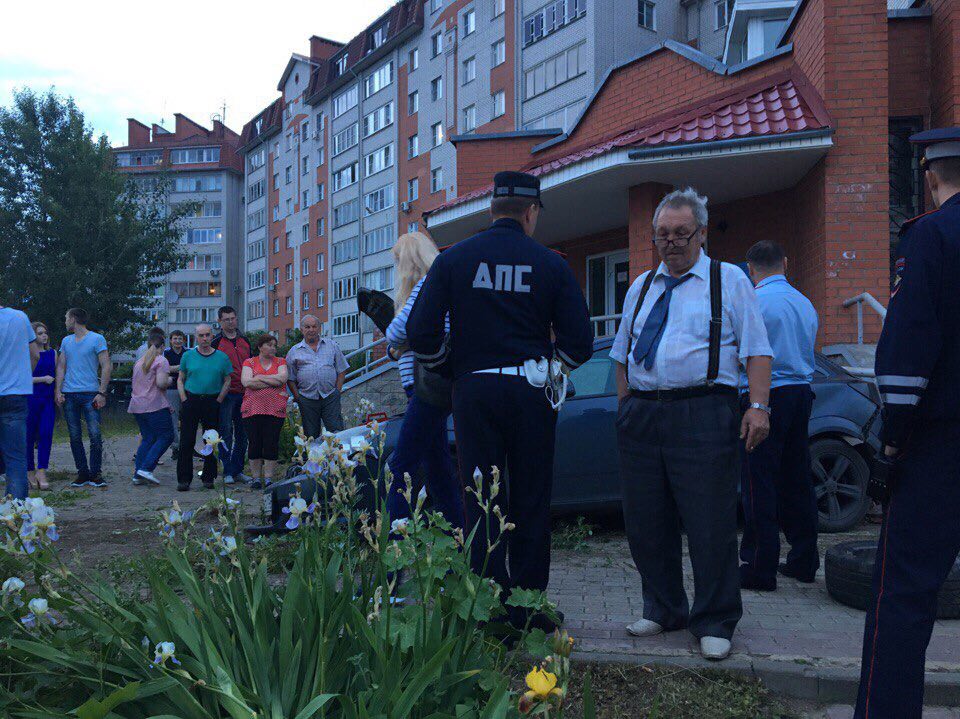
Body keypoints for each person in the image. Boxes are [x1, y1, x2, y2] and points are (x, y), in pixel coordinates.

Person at [407, 171, 593, 633]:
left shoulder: (454, 259)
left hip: (474, 392)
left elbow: (420, 331)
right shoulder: (550, 264)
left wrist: (452, 366)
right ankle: (529, 607)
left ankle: (488, 608)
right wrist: (554, 369)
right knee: (531, 497)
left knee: (481, 499)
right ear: (531, 212)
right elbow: (580, 341)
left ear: (491, 209)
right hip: (532, 391)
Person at [610, 188, 772, 661]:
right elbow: (621, 354)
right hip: (643, 414)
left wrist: (758, 406)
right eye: (662, 234)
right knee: (646, 521)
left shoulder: (729, 280)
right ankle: (663, 609)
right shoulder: (641, 286)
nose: (671, 242)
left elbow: (757, 349)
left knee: (710, 522)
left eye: (681, 233)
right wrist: (626, 407)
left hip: (703, 411)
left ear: (702, 233)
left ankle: (715, 620)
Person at [854, 128, 960, 719]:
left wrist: (891, 442)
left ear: (930, 175)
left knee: (903, 597)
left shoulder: (931, 236)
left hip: (940, 444)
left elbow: (907, 348)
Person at [738, 240, 820, 592]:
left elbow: (745, 355)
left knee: (758, 481)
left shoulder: (754, 302)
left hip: (765, 396)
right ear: (785, 263)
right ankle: (804, 560)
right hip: (802, 393)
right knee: (797, 478)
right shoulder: (805, 303)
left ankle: (760, 567)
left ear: (750, 269)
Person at [384, 232, 464, 529]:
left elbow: (396, 332)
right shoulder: (441, 286)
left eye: (397, 261)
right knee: (437, 468)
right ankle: (457, 536)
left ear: (408, 261)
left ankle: (395, 543)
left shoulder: (425, 286)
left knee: (400, 465)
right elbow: (402, 343)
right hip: (431, 384)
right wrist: (398, 347)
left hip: (426, 388)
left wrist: (398, 344)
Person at [55, 308, 111, 489]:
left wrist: (102, 392)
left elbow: (106, 365)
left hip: (90, 393)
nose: (65, 321)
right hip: (70, 394)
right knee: (74, 436)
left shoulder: (97, 339)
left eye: (66, 318)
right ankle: (82, 473)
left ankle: (95, 473)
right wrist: (58, 390)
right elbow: (61, 367)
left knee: (95, 435)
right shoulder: (66, 341)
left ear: (73, 319)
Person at [176, 324, 232, 491]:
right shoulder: (188, 356)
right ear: (196, 337)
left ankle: (208, 477)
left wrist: (219, 400)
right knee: (186, 440)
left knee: (211, 441)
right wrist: (184, 399)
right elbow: (180, 379)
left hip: (212, 401)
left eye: (207, 335)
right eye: (201, 335)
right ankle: (184, 479)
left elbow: (227, 380)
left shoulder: (222, 357)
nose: (205, 338)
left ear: (212, 336)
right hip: (191, 400)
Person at [0, 304, 40, 500]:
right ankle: (15, 512)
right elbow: (35, 355)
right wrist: (21, 377)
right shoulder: (20, 317)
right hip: (15, 394)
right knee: (15, 458)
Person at [286, 315, 349, 437]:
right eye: (307, 327)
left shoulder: (332, 345)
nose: (311, 330)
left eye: (314, 326)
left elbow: (342, 369)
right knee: (311, 436)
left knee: (336, 433)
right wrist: (297, 397)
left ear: (319, 328)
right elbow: (290, 378)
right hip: (307, 399)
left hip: (330, 397)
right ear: (302, 329)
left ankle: (336, 450)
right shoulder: (294, 351)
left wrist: (337, 390)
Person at [127, 327, 174, 486]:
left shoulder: (140, 362)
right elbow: (161, 383)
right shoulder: (161, 360)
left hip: (137, 405)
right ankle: (146, 469)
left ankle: (138, 474)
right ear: (163, 346)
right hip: (154, 405)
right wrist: (170, 380)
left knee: (148, 438)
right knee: (166, 436)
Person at [240, 335, 288, 490]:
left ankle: (268, 478)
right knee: (254, 442)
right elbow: (247, 382)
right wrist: (272, 381)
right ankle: (255, 478)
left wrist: (259, 377)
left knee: (271, 442)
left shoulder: (281, 362)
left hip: (275, 409)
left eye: (274, 345)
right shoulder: (249, 362)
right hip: (252, 409)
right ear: (260, 347)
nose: (273, 348)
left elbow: (282, 379)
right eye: (269, 345)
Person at [212, 307, 251, 484]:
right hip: (226, 394)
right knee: (226, 433)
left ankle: (238, 470)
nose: (230, 322)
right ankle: (227, 471)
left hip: (245, 393)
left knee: (243, 434)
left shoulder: (245, 340)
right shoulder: (216, 342)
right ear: (220, 321)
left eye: (233, 318)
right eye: (226, 319)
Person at [27, 322, 56, 491]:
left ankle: (42, 471)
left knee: (46, 434)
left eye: (45, 332)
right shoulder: (27, 354)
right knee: (28, 436)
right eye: (39, 333)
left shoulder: (52, 353)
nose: (44, 336)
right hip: (30, 399)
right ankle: (29, 471)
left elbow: (58, 375)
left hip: (47, 401)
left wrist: (58, 393)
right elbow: (22, 377)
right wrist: (42, 379)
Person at [164, 330, 187, 459]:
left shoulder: (187, 353)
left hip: (187, 389)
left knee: (187, 419)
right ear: (171, 340)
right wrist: (182, 366)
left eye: (180, 339)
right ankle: (176, 447)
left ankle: (187, 446)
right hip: (171, 389)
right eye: (175, 339)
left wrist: (174, 368)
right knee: (173, 419)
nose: (178, 341)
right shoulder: (166, 353)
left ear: (183, 340)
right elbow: (165, 369)